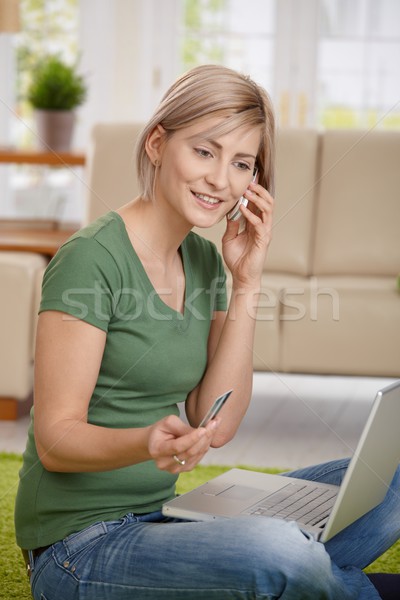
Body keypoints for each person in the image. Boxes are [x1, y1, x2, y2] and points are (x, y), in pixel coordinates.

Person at [15, 64, 400, 600]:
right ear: (157, 143)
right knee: (284, 552)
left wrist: (247, 278)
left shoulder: (203, 259)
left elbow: (217, 422)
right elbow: (56, 440)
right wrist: (145, 442)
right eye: (204, 151)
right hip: (80, 550)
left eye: (242, 163)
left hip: (168, 518)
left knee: (392, 477)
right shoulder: (90, 261)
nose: (221, 179)